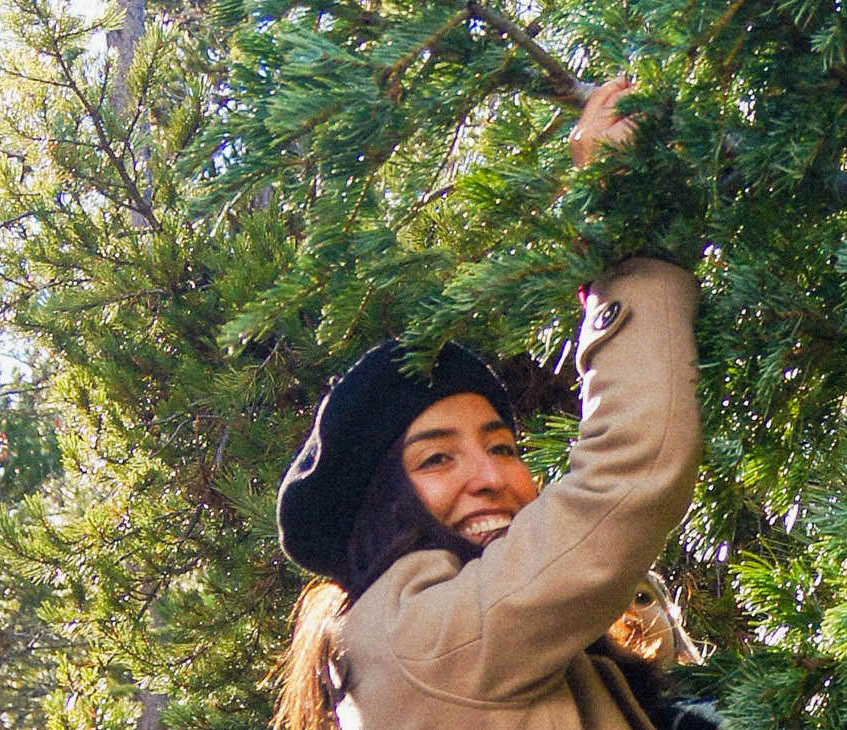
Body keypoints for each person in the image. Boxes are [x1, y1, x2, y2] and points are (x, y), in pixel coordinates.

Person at [269, 79, 717, 730]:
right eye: (437, 458)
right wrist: (624, 231)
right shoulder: (417, 639)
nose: (490, 477)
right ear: (378, 506)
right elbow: (632, 466)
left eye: (502, 447)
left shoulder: (536, 650)